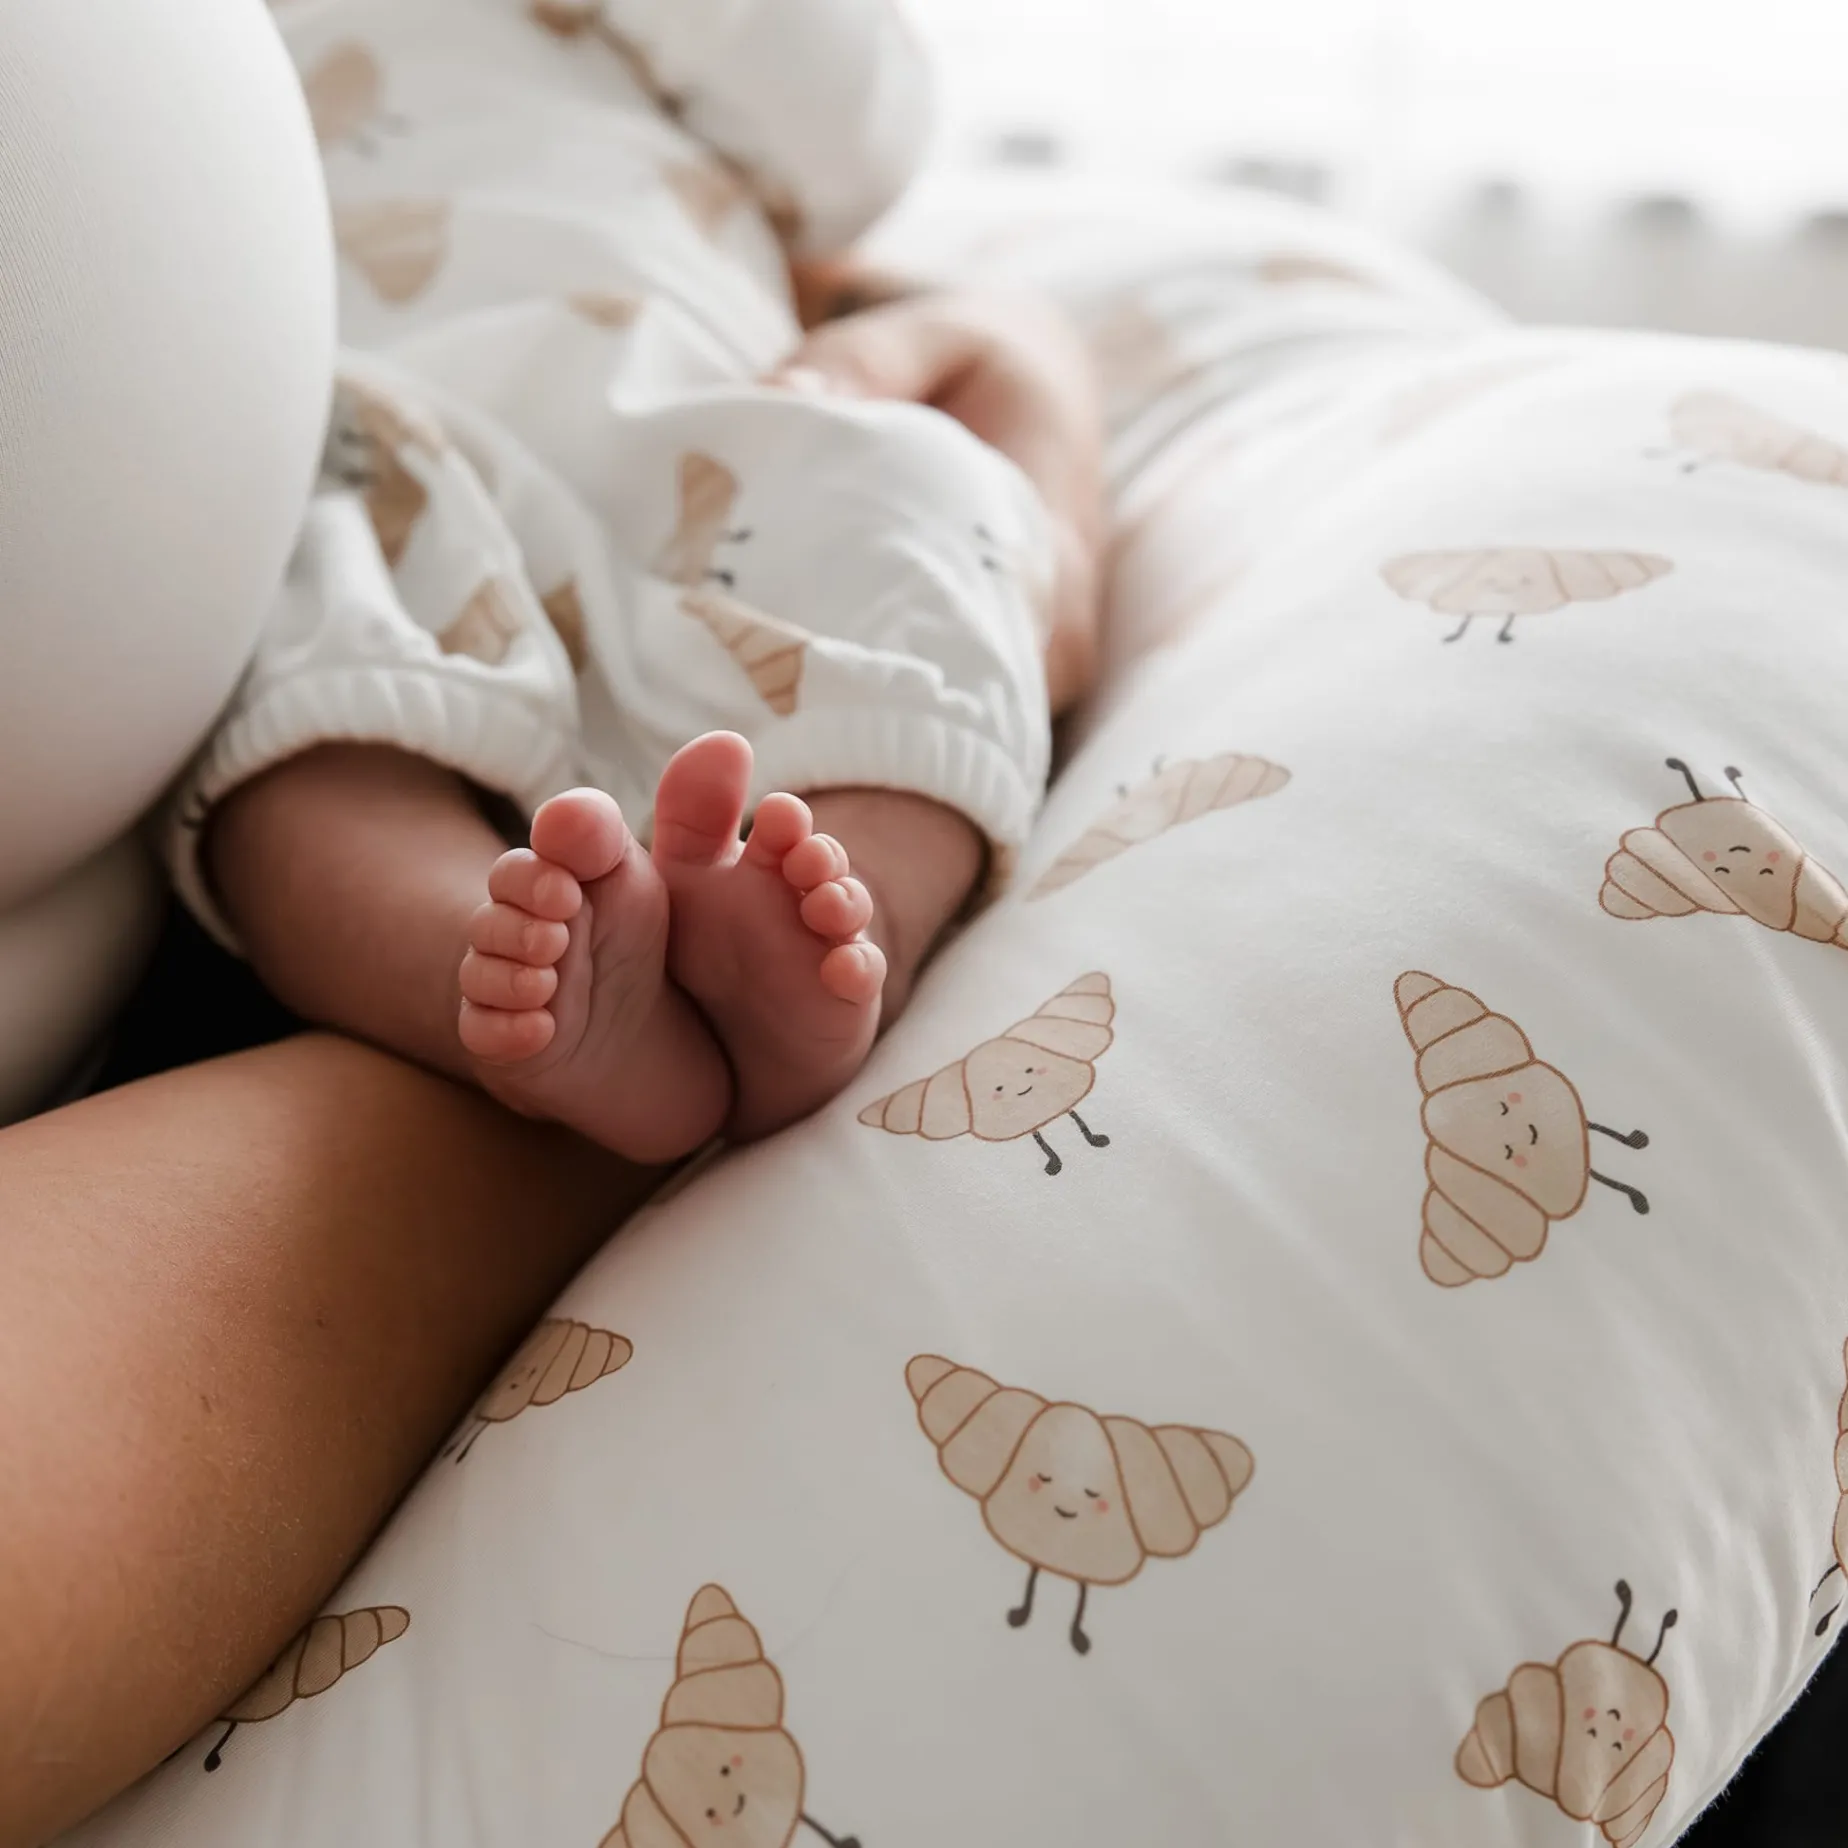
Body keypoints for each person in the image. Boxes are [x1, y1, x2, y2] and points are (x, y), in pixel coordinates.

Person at [184, 0, 1107, 1157]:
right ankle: (505, 975)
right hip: (359, 436)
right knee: (296, 740)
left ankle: (847, 910)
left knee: (923, 498)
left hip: (693, 420)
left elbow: (856, 143)